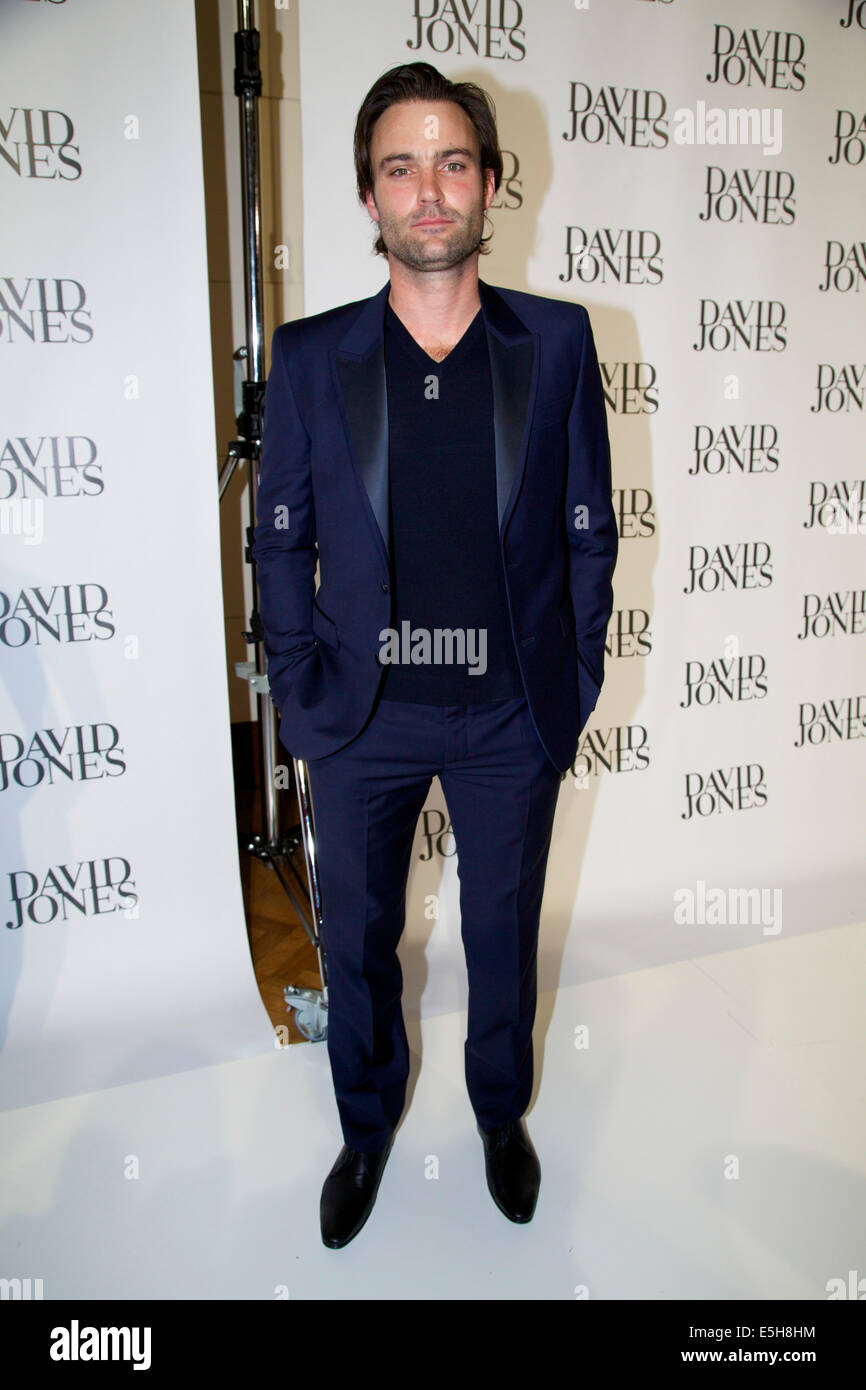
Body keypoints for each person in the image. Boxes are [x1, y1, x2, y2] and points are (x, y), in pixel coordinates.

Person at [252, 61, 618, 1249]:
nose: (427, 190)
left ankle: (498, 1113)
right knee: (356, 938)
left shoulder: (556, 344)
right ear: (368, 195)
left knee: (502, 930)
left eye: (450, 162)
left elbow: (589, 527)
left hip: (511, 709)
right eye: (399, 166)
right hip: (360, 715)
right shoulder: (311, 358)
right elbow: (279, 536)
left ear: (490, 184)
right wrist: (301, 686)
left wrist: (572, 675)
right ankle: (365, 1125)